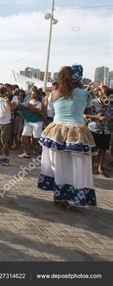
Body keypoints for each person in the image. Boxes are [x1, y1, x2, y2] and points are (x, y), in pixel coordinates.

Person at [38, 65, 97, 209]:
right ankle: (75, 196)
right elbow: (87, 110)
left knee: (59, 165)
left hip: (56, 131)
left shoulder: (54, 93)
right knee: (77, 166)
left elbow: (48, 110)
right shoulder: (84, 93)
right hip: (77, 132)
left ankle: (59, 195)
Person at [86, 85, 112, 177]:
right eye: (103, 93)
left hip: (106, 130)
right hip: (94, 129)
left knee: (103, 149)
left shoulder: (111, 103)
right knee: (93, 149)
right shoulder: (93, 103)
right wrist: (98, 117)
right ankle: (91, 167)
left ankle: (100, 168)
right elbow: (85, 115)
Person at [0, 85, 17, 165]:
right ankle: (0, 156)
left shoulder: (13, 97)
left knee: (4, 142)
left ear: (11, 90)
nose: (6, 92)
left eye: (8, 90)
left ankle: (7, 158)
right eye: (5, 90)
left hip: (6, 123)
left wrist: (6, 97)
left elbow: (13, 107)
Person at [18, 89, 45, 158]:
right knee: (24, 136)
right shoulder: (28, 102)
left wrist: (32, 109)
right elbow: (22, 107)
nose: (32, 94)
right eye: (31, 93)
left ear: (37, 95)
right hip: (28, 121)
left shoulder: (40, 103)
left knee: (36, 138)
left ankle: (33, 150)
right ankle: (26, 152)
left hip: (37, 122)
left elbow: (40, 112)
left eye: (33, 93)